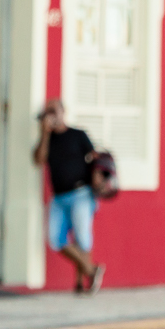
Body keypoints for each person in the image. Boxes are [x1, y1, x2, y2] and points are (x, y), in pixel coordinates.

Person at [33, 100, 104, 293]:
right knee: (56, 239)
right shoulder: (46, 139)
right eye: (48, 112)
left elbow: (96, 158)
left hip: (81, 193)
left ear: (63, 112)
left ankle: (81, 283)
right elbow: (39, 160)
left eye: (54, 111)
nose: (52, 115)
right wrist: (45, 134)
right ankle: (92, 270)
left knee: (82, 238)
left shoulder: (78, 135)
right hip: (59, 197)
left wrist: (98, 181)